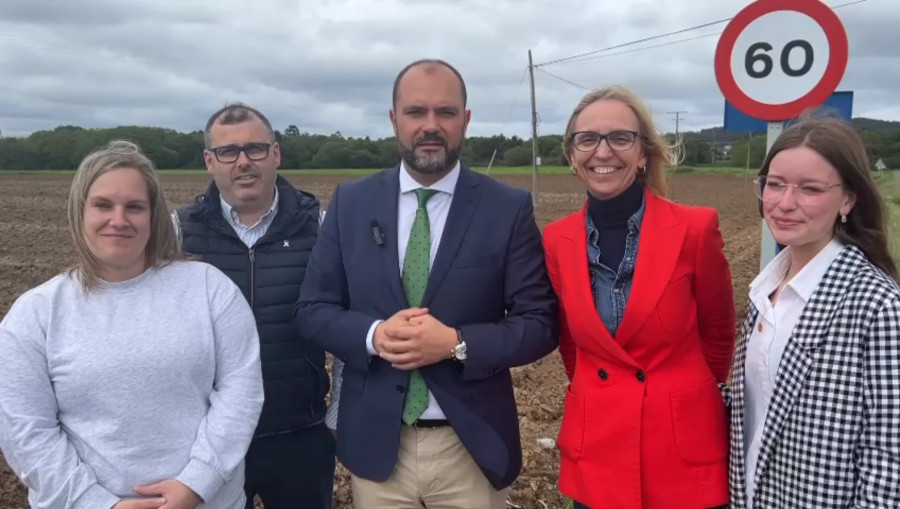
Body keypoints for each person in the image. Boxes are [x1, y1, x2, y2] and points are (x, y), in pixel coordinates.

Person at [293, 58, 558, 509]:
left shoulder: (506, 208)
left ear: (466, 121)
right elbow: (312, 311)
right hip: (379, 448)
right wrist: (375, 336)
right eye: (416, 112)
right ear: (395, 120)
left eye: (446, 113)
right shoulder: (351, 203)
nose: (430, 126)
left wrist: (456, 343)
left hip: (470, 448)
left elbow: (539, 323)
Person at [0, 140, 264, 509]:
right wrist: (97, 503)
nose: (119, 220)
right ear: (79, 212)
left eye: (135, 207)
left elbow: (241, 393)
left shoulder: (209, 288)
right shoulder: (36, 314)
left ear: (154, 216)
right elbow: (25, 429)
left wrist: (196, 483)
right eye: (103, 205)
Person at [542, 86, 736, 509]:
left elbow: (718, 337)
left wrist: (678, 398)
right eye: (588, 139)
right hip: (599, 449)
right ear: (573, 155)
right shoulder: (557, 240)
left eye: (620, 138)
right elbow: (572, 345)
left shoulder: (695, 229)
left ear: (644, 153)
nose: (603, 151)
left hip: (681, 451)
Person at [727, 115, 900, 508]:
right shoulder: (765, 289)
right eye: (774, 184)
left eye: (810, 189)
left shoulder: (878, 306)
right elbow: (759, 409)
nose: (785, 203)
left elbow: (890, 464)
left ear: (849, 199)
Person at [173, 103, 336, 509]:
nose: (243, 162)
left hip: (299, 433)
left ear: (276, 154)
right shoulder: (176, 234)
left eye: (256, 149)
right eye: (228, 152)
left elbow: (347, 321)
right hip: (208, 441)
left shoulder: (322, 226)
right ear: (210, 162)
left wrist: (336, 420)